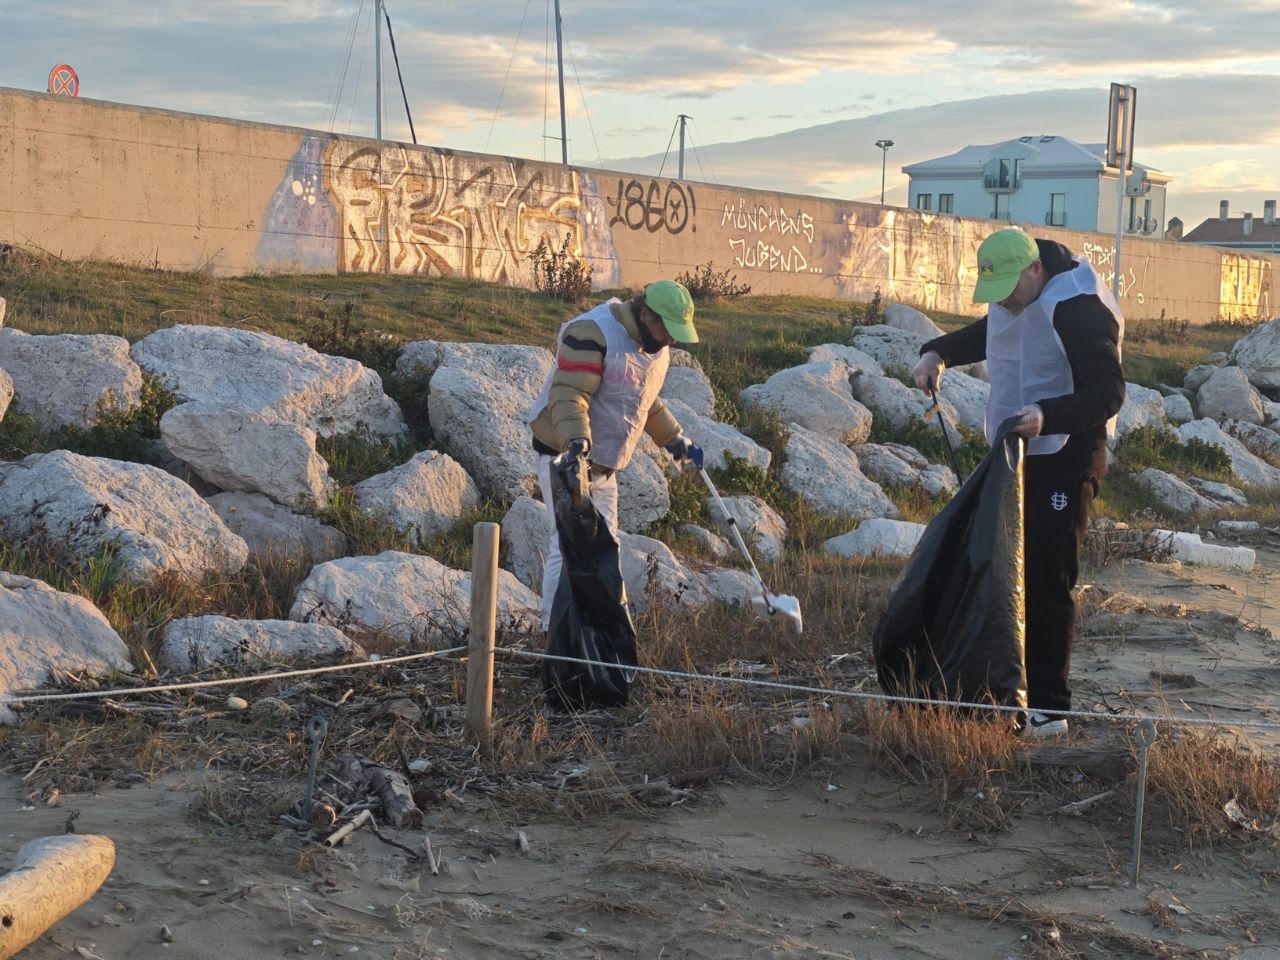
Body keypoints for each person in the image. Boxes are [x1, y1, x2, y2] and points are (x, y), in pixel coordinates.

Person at [911, 228, 1125, 738]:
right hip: (1018, 452)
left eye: (1010, 287)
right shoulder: (1014, 298)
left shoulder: (1077, 307)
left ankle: (1050, 709)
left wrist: (1047, 416)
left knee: (1047, 581)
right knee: (1008, 573)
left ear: (1035, 271)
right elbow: (990, 333)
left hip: (1068, 457)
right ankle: (1006, 687)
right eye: (996, 289)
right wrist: (936, 352)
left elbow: (1108, 391)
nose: (1004, 299)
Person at [528, 279, 704, 629]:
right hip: (564, 457)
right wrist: (576, 443)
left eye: (676, 333)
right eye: (666, 329)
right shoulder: (593, 333)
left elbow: (643, 400)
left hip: (604, 466)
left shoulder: (652, 348)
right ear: (644, 312)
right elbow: (569, 394)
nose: (671, 339)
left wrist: (674, 440)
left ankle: (597, 631)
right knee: (566, 548)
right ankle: (553, 634)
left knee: (606, 548)